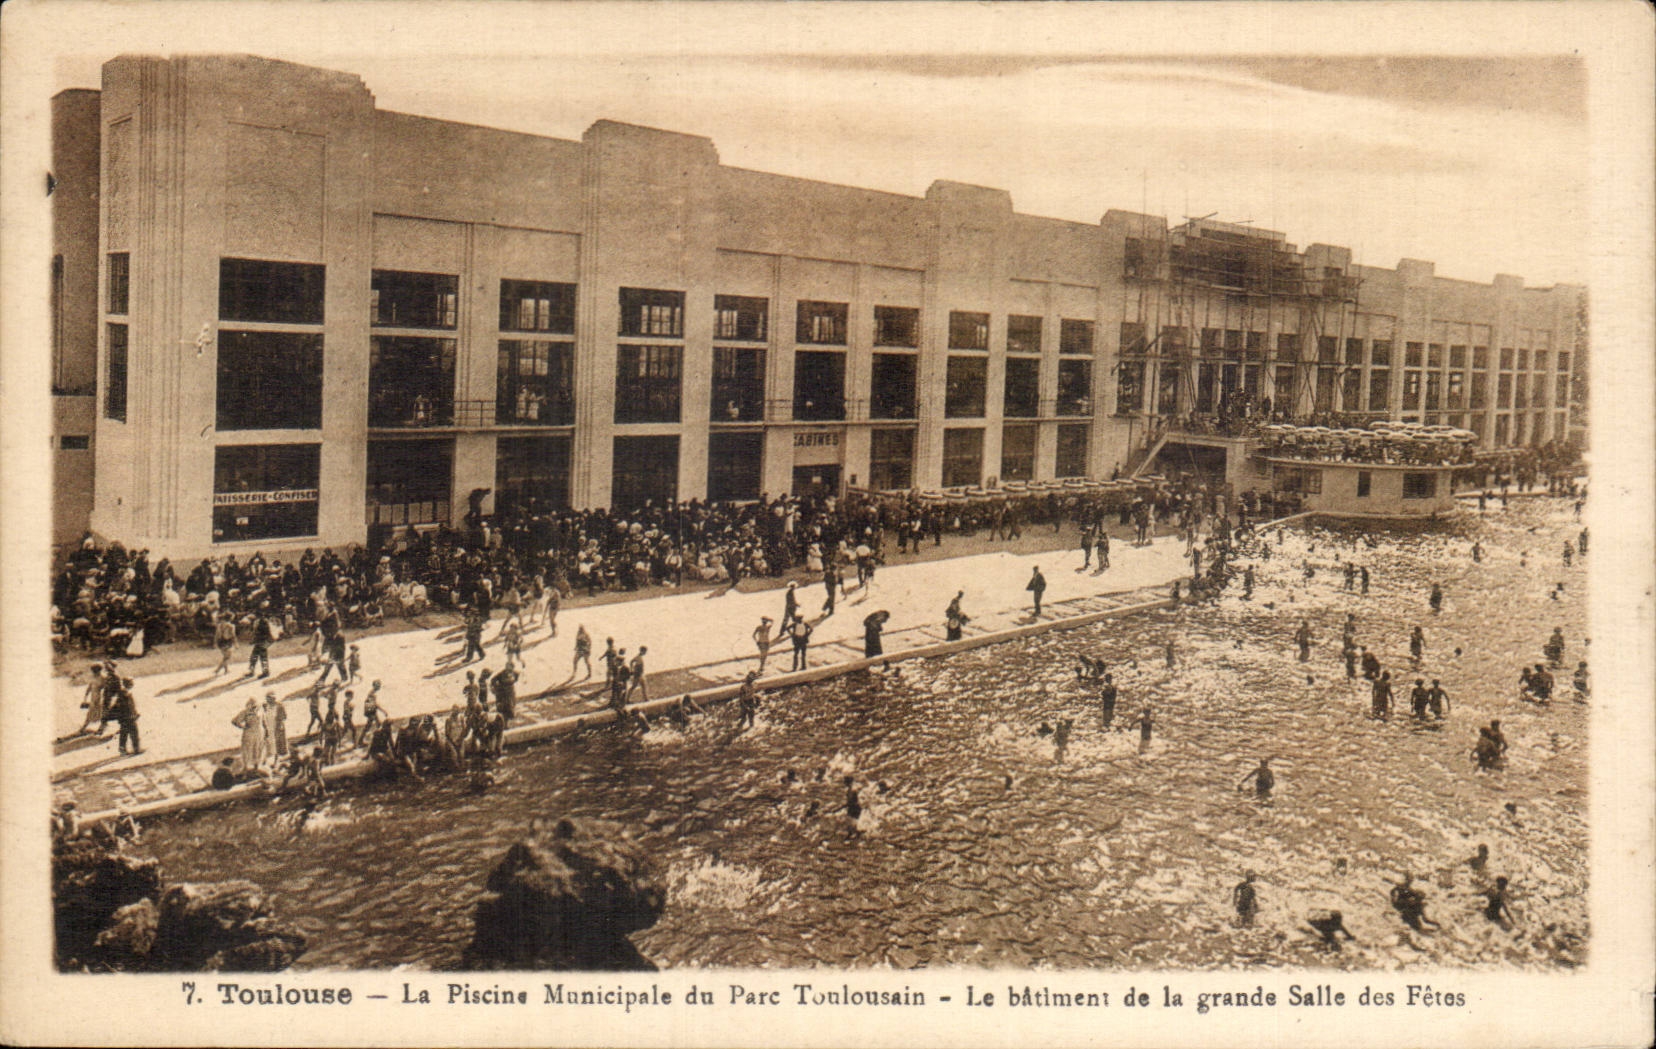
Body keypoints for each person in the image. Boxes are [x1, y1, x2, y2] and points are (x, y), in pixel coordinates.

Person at [109, 677, 142, 756]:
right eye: (131, 682)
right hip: (128, 717)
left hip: (124, 718)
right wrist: (134, 714)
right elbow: (129, 707)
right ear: (127, 684)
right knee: (134, 733)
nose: (132, 684)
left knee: (124, 733)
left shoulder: (122, 693)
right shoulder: (126, 694)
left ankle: (122, 749)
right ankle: (136, 749)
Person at [233, 696, 265, 773]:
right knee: (247, 750)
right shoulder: (245, 712)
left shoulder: (260, 711)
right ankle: (246, 767)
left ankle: (256, 766)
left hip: (259, 732)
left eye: (255, 706)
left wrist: (266, 730)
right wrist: (242, 727)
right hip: (249, 733)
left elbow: (264, 721)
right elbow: (235, 721)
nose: (254, 708)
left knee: (258, 749)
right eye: (252, 706)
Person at [248, 613, 273, 679]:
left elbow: (260, 633)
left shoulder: (262, 622)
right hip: (262, 642)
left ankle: (263, 672)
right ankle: (254, 671)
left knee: (258, 657)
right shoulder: (262, 621)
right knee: (257, 657)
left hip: (261, 642)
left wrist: (254, 640)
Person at [264, 691, 287, 762]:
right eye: (267, 698)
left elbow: (284, 716)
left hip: (277, 725)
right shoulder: (265, 706)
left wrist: (280, 722)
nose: (268, 700)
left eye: (270, 698)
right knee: (270, 740)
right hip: (268, 724)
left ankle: (278, 755)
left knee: (278, 741)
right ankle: (272, 753)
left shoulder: (279, 706)